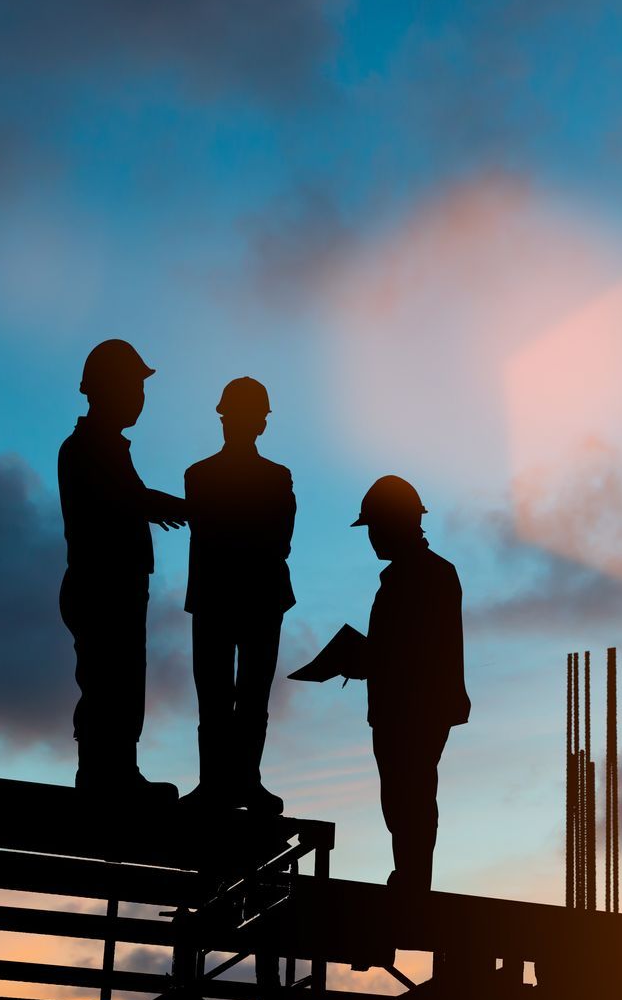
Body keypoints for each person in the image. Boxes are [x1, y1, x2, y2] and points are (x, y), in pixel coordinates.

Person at [316, 475, 469, 893]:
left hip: (411, 709)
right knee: (405, 797)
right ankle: (411, 877)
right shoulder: (420, 574)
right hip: (407, 706)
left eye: (375, 527)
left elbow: (415, 651)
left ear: (395, 523)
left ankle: (414, 882)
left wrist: (363, 659)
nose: (372, 538)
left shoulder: (421, 576)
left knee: (410, 795)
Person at [58, 339, 189, 800]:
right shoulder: (84, 449)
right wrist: (185, 508)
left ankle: (118, 770)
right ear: (106, 390)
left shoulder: (107, 448)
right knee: (108, 681)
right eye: (132, 386)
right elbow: (122, 500)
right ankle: (102, 775)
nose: (139, 397)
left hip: (120, 583)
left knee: (123, 680)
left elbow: (130, 497)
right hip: (101, 585)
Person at [181, 377, 295, 815]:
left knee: (243, 696)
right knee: (228, 695)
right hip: (238, 596)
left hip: (240, 597)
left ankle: (236, 782)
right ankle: (225, 782)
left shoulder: (203, 477)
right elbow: (276, 541)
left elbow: (274, 539)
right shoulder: (208, 476)